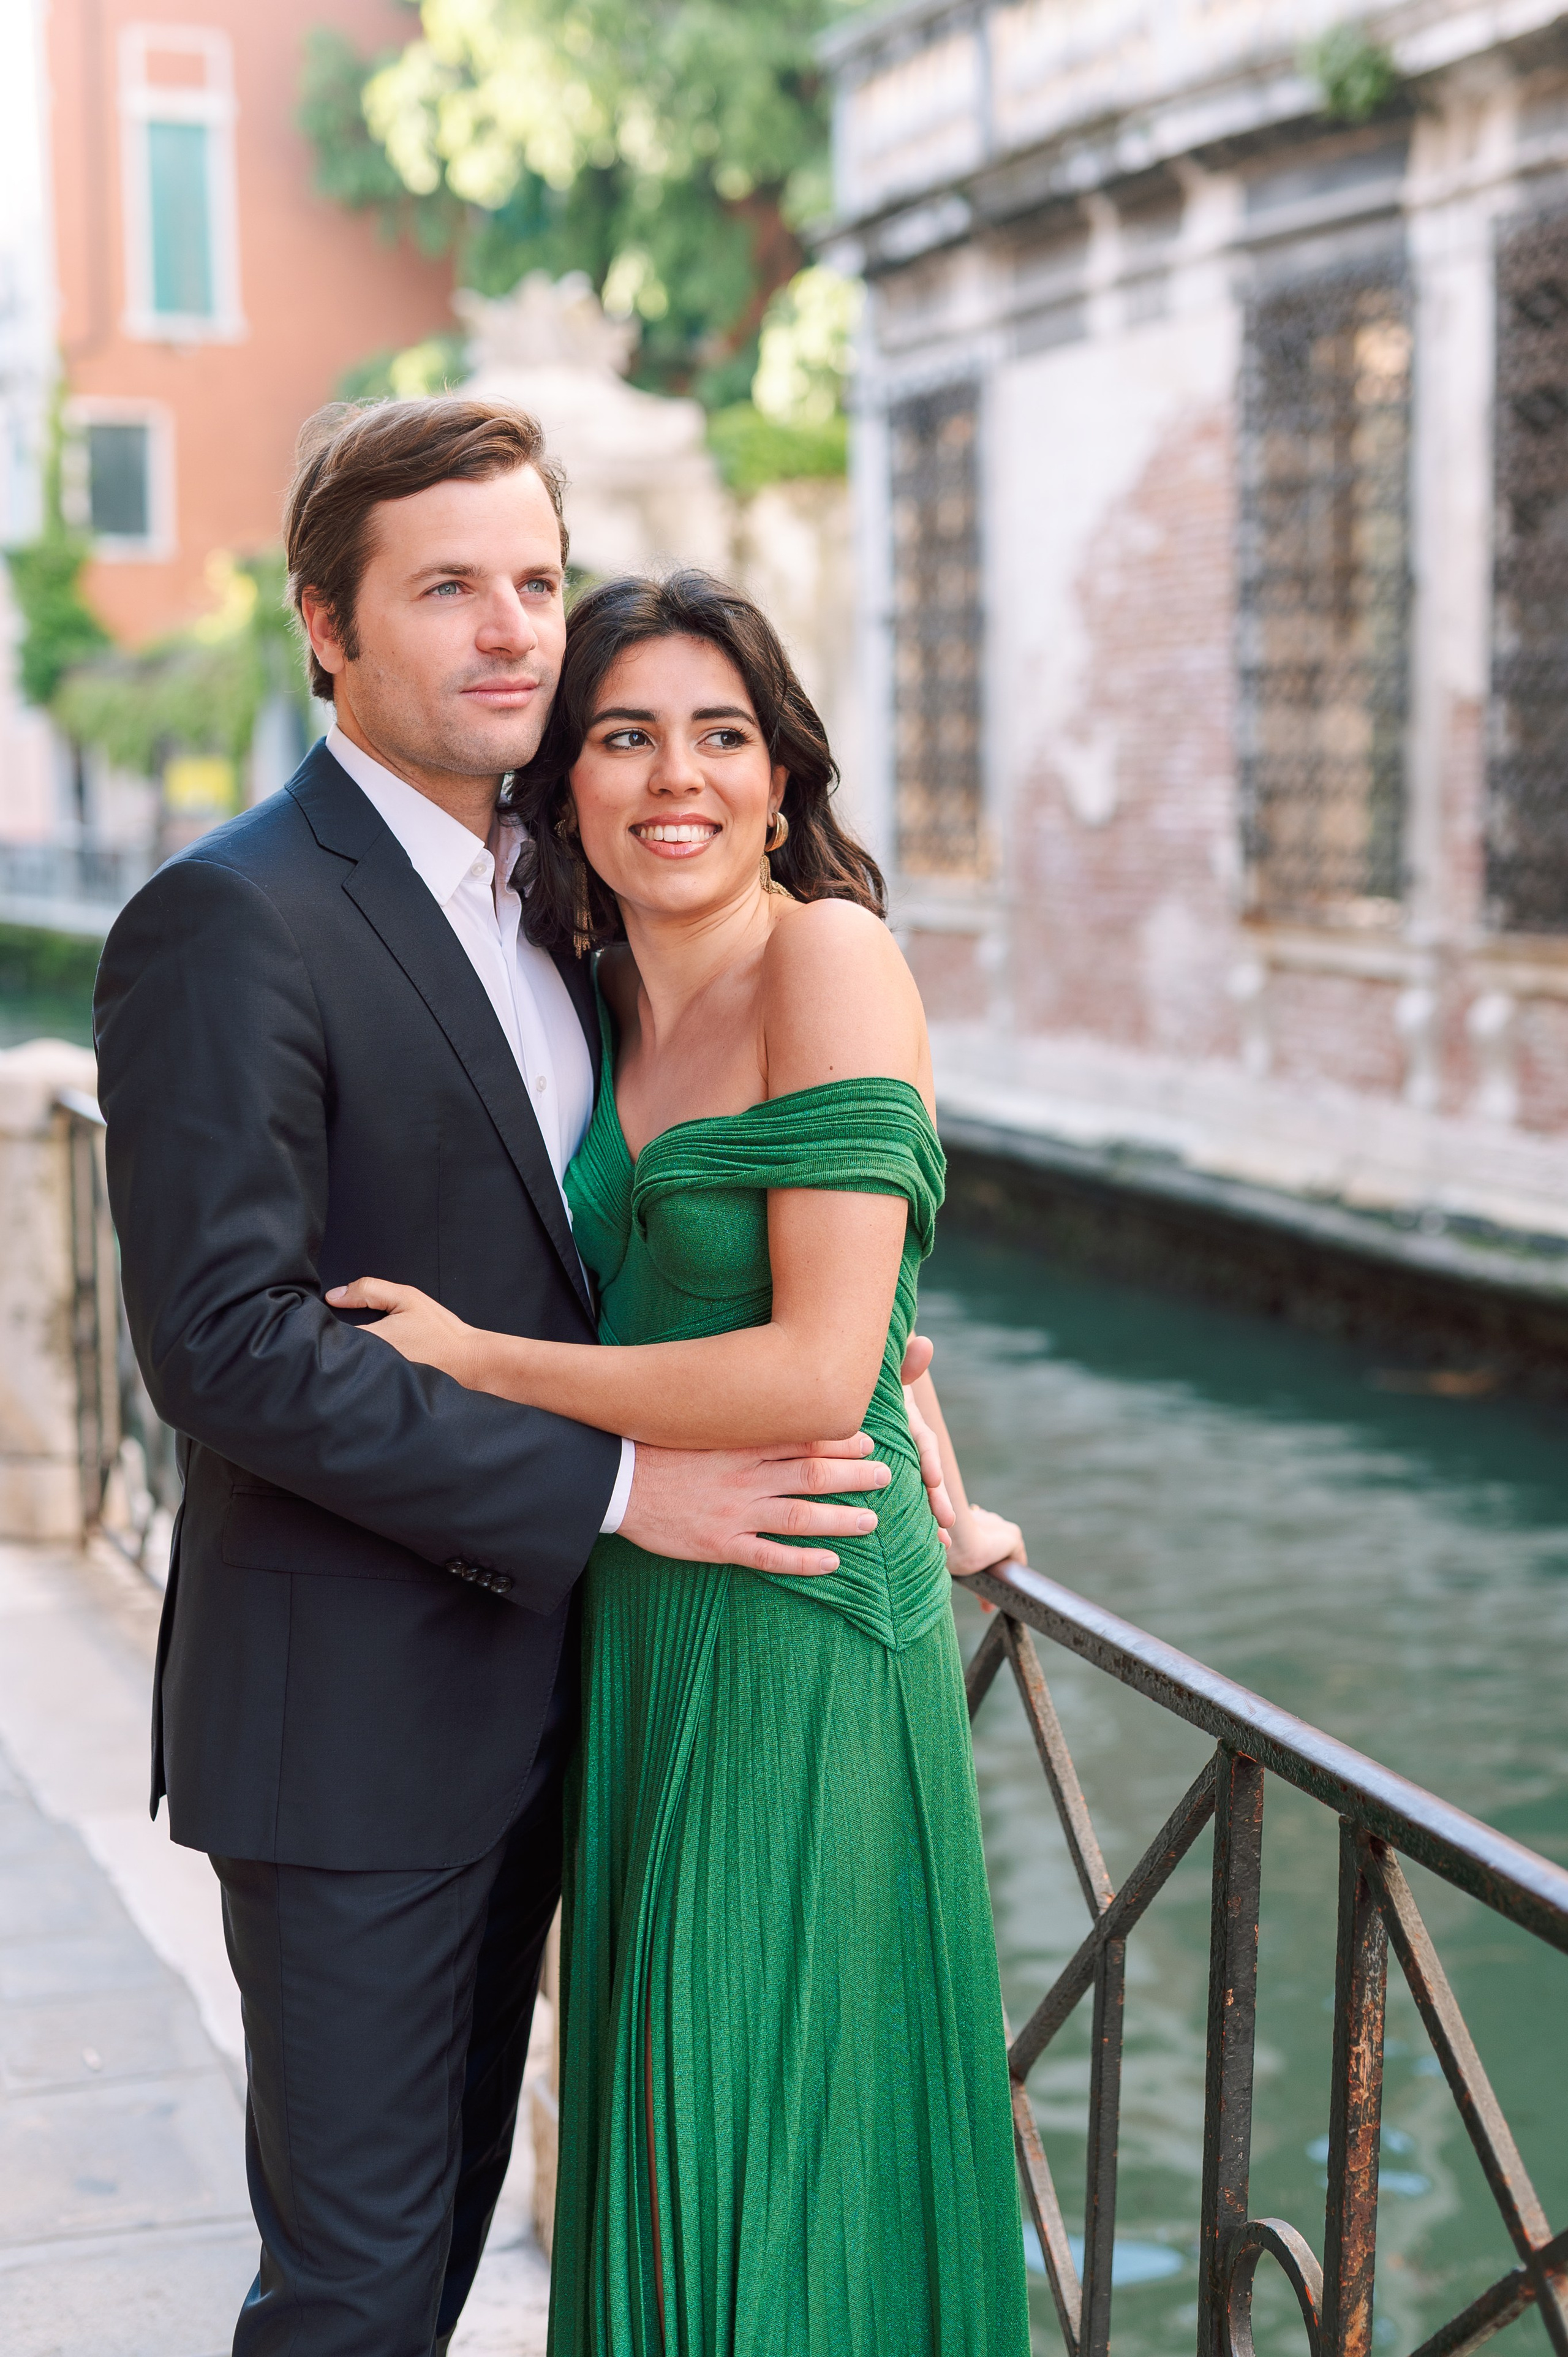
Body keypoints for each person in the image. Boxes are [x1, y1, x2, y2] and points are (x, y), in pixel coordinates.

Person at [92, 399, 914, 2357]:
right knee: (361, 2293)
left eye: (536, 581)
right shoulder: (231, 916)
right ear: (326, 625)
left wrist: (901, 1408)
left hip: (603, 1702)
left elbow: (704, 1238)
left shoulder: (568, 903)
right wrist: (621, 1490)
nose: (510, 630)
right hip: (359, 1733)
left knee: (484, 2239)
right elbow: (226, 1346)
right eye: (447, 588)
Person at [330, 570, 1033, 2355]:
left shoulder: (830, 958)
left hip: (800, 1604)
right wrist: (902, 1372)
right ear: (564, 780)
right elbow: (750, 1311)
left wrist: (482, 1364)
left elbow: (819, 1360)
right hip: (637, 1598)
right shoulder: (587, 1002)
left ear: (781, 778)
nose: (676, 778)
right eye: (627, 736)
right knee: (665, 2121)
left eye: (722, 735)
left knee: (779, 2137)